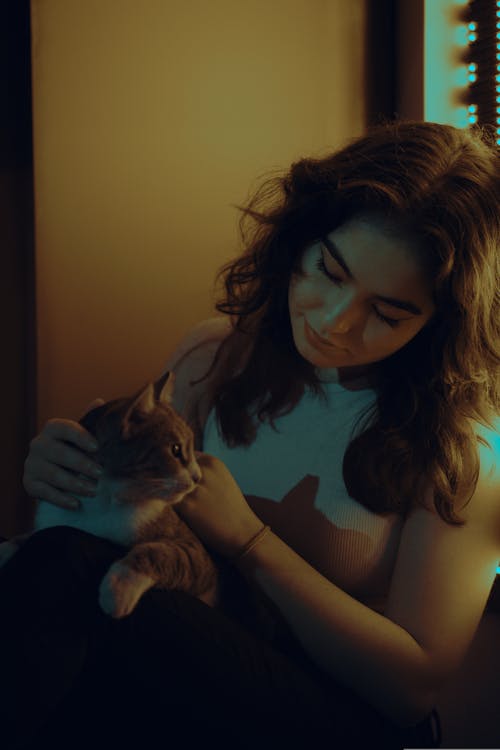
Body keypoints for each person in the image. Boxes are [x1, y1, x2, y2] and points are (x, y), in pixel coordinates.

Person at [2, 119, 499, 750]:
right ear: (300, 239)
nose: (333, 321)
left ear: (442, 322)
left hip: (338, 719)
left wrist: (248, 540)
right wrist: (76, 469)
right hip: (188, 674)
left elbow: (411, 688)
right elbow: (137, 522)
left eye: (387, 311)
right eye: (329, 269)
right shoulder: (217, 353)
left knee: (66, 574)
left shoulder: (464, 449)